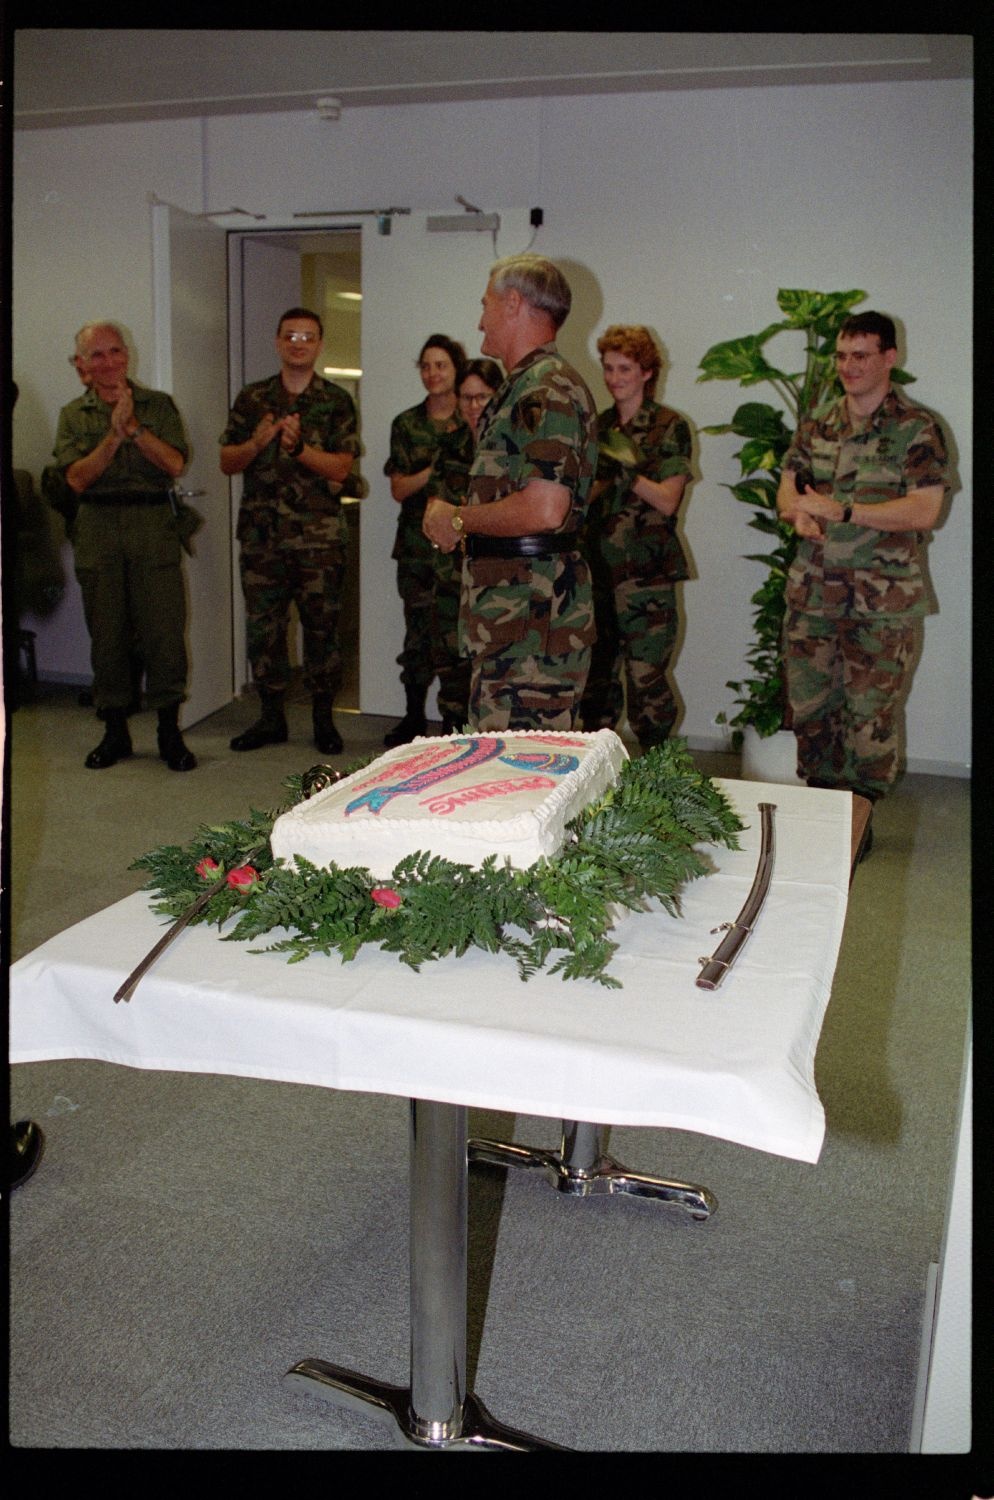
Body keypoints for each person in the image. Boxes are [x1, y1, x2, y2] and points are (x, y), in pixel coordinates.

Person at [776, 310, 949, 843]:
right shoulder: (818, 423)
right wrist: (799, 514)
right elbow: (788, 489)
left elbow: (924, 511)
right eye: (842, 356)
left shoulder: (916, 429)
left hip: (882, 603)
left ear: (889, 358)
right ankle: (820, 821)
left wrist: (846, 510)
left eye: (861, 356)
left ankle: (857, 826)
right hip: (814, 595)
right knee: (811, 711)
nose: (848, 366)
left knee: (869, 718)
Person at [423, 255, 598, 731]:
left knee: (523, 773)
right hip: (516, 622)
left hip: (533, 626)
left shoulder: (547, 388)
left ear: (514, 303)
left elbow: (545, 509)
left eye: (486, 305)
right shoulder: (525, 386)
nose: (480, 319)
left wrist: (457, 518)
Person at [52, 322, 196, 771]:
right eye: (96, 355)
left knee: (164, 634)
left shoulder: (157, 405)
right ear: (82, 365)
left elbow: (174, 462)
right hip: (98, 524)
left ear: (126, 356)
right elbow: (75, 478)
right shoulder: (74, 415)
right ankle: (115, 732)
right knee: (107, 634)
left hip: (152, 523)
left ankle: (169, 732)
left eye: (115, 352)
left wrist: (133, 428)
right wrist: (112, 436)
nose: (108, 361)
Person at [220, 307, 359, 756]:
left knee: (322, 631)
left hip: (318, 541)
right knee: (264, 631)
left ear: (319, 344)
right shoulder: (252, 398)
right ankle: (270, 717)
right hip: (262, 540)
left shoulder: (336, 401)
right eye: (290, 335)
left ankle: (323, 719)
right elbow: (227, 462)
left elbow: (341, 466)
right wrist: (258, 442)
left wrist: (299, 449)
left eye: (308, 336)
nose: (298, 343)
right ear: (278, 342)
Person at [579, 325, 693, 749]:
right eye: (608, 368)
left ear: (646, 371)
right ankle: (596, 784)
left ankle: (660, 780)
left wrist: (626, 471)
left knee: (648, 688)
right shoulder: (600, 426)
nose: (614, 378)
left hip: (647, 576)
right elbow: (584, 497)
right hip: (598, 571)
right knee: (596, 690)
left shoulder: (669, 426)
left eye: (624, 368)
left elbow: (667, 500)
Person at [382, 333, 467, 746]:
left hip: (460, 549)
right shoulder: (407, 423)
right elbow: (399, 488)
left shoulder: (472, 422)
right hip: (417, 550)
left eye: (442, 366)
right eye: (426, 366)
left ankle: (455, 720)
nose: (433, 373)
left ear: (456, 370)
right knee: (417, 636)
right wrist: (436, 470)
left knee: (456, 638)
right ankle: (413, 717)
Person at [424, 357, 503, 732]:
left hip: (497, 581)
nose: (474, 407)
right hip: (451, 575)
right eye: (467, 398)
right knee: (451, 674)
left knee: (494, 679)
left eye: (483, 398)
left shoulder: (509, 449)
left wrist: (460, 519)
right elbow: (435, 508)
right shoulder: (449, 445)